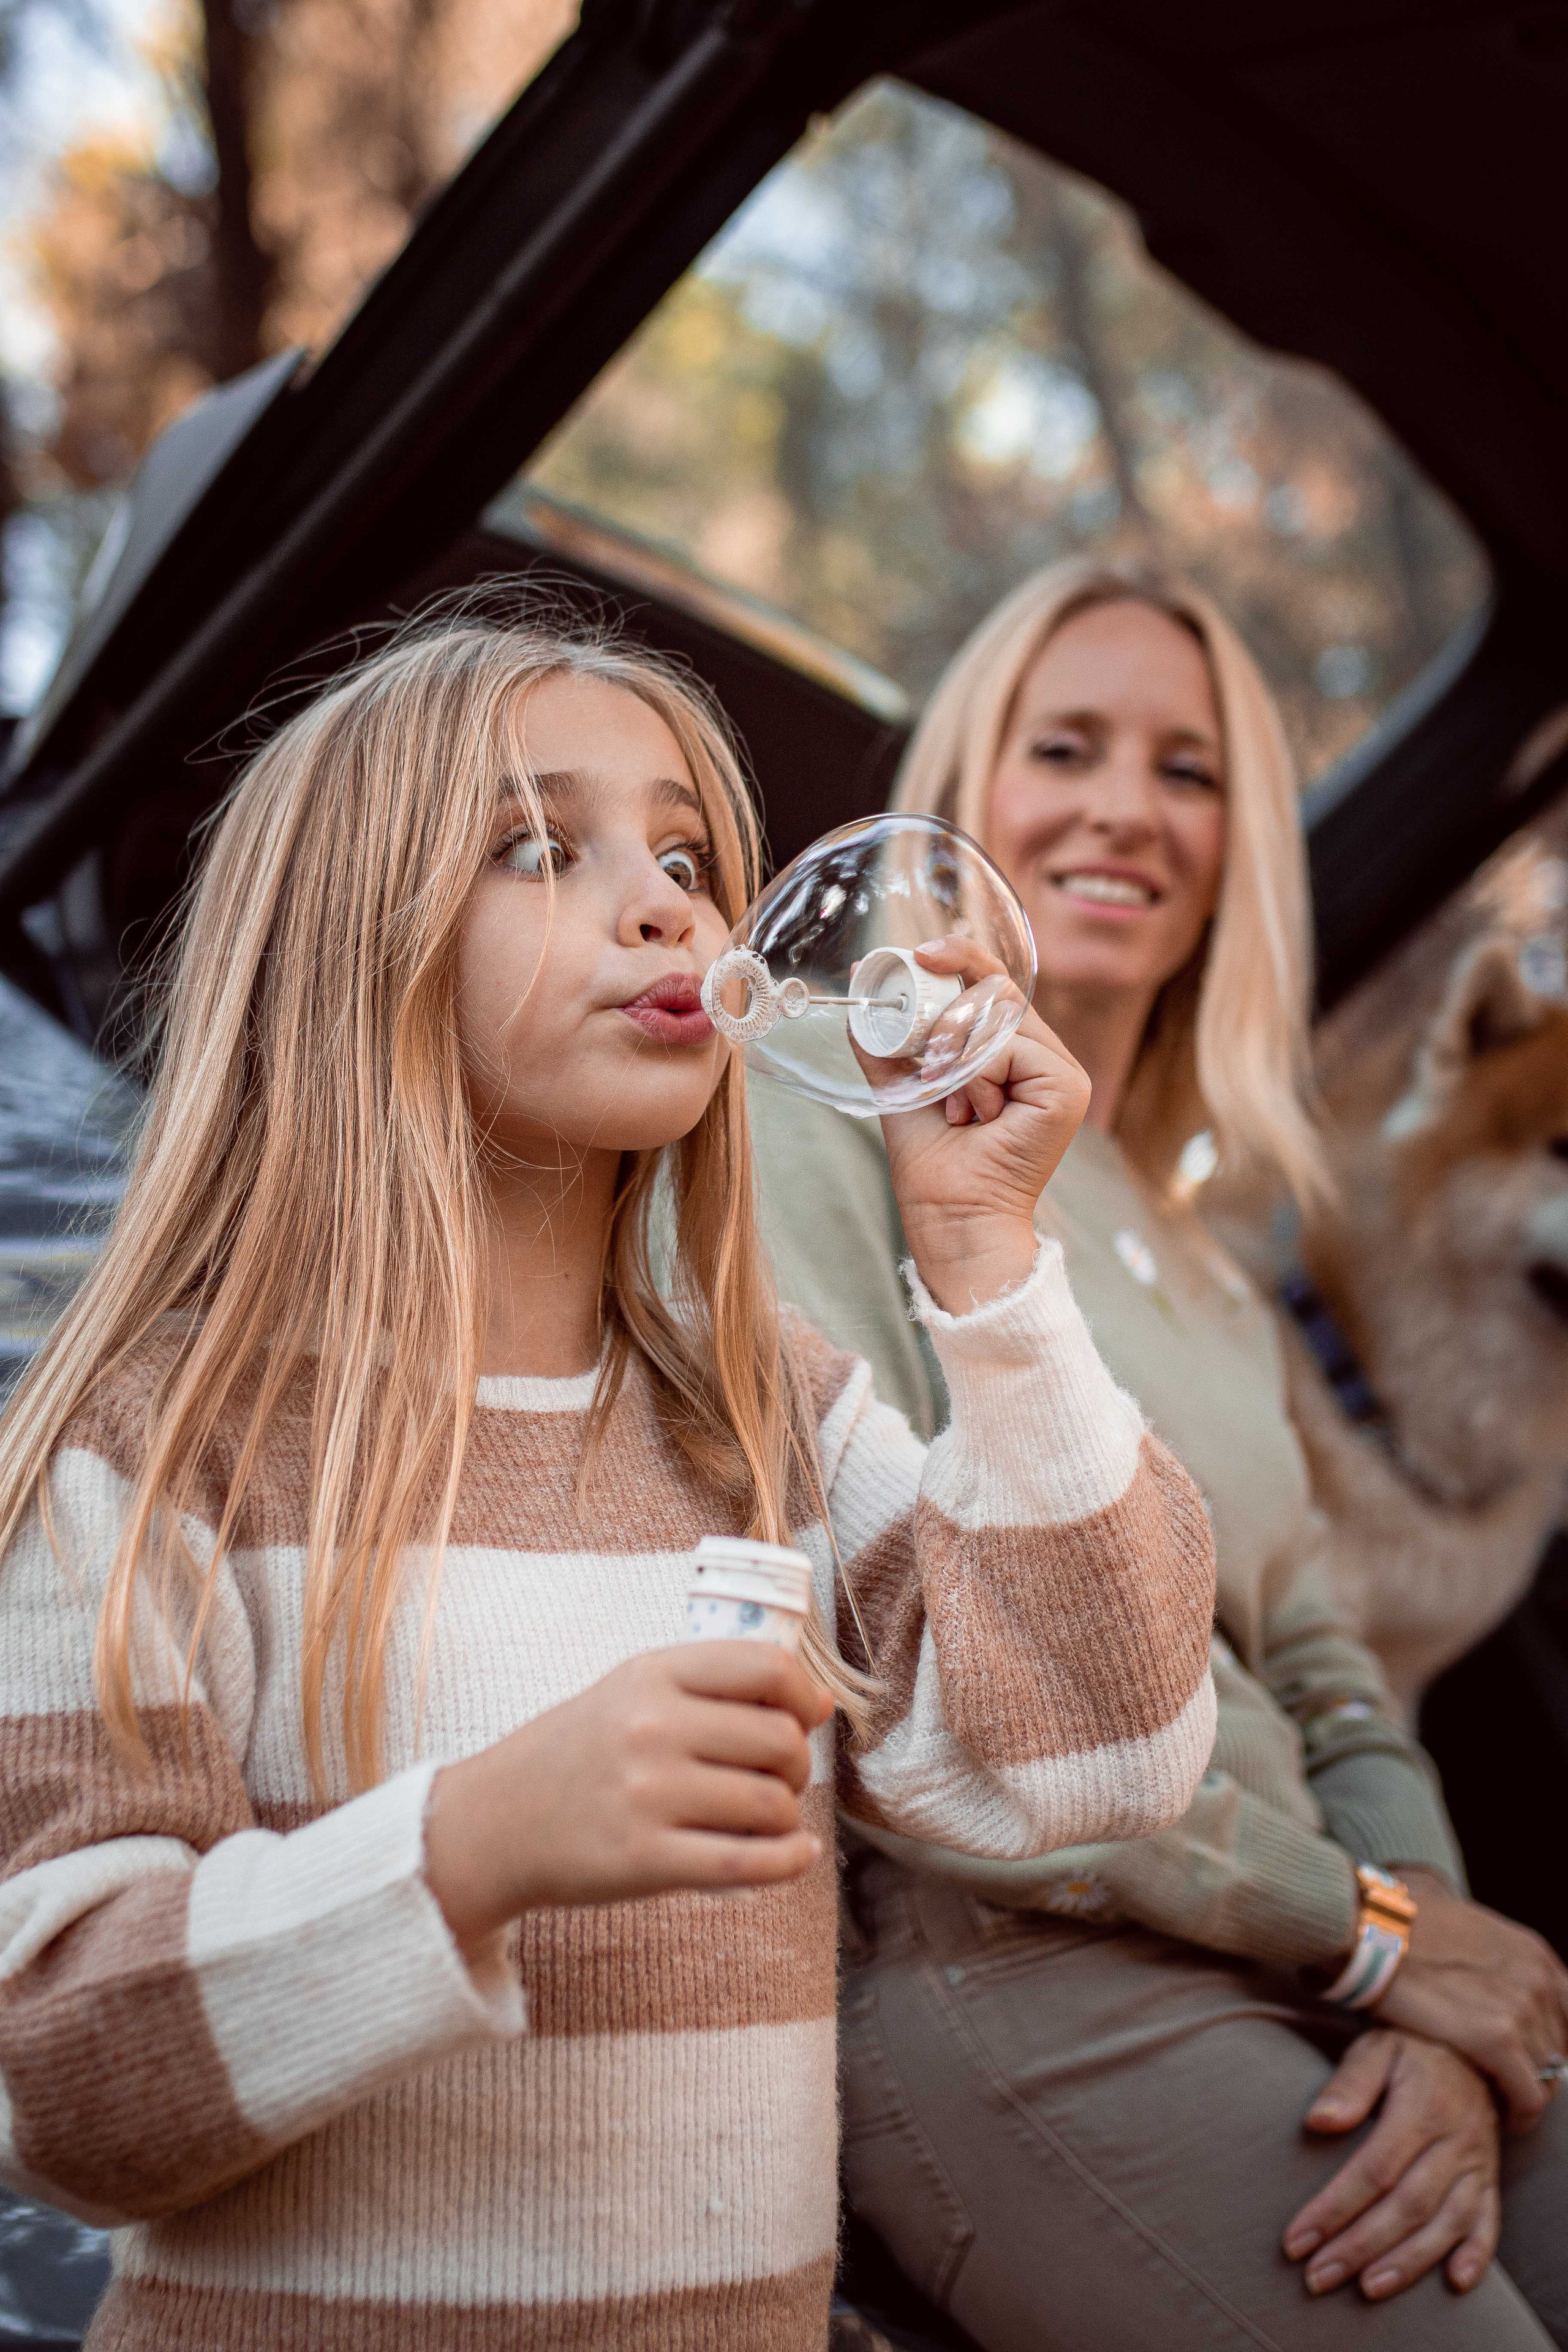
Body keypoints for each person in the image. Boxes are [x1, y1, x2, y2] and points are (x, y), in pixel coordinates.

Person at [0, 609, 1218, 2352]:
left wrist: (985, 1259)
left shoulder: (766, 1418)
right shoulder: (154, 1443)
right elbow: (59, 2090)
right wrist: (475, 1844)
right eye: (539, 846)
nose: (667, 907)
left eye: (690, 856)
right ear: (344, 948)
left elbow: (1107, 1759)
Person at [750, 558, 1568, 2351]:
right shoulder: (815, 1099)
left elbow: (1331, 1669)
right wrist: (1363, 1937)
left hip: (1307, 1947)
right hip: (1023, 1963)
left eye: (1190, 771)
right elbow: (881, 1648)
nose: (1128, 805)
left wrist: (1426, 1958)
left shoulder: (1201, 1258)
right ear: (965, 794)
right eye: (1067, 748)